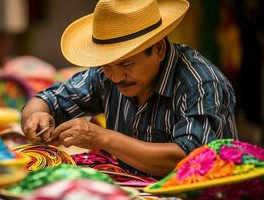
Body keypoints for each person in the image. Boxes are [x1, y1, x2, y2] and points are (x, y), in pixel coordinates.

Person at [21, 0, 238, 177]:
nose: (115, 77)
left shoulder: (200, 83)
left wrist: (103, 138)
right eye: (106, 65)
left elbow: (191, 159)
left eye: (126, 64)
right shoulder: (105, 74)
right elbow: (46, 100)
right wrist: (36, 116)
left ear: (159, 49)